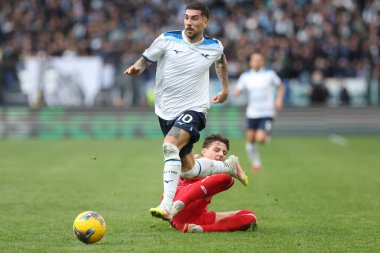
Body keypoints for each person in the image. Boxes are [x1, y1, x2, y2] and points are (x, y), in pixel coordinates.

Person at [124, 2, 248, 221]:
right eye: (186, 18)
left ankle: (166, 205)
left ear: (205, 21)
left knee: (170, 146)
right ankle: (228, 166)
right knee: (189, 170)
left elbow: (221, 62)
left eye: (194, 18)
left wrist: (226, 89)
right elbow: (146, 59)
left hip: (195, 108)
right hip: (165, 110)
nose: (189, 23)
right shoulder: (166, 39)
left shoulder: (214, 46)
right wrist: (137, 68)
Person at [169, 134, 256, 233]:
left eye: (224, 152)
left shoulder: (218, 172)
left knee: (250, 216)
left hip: (192, 218)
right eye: (216, 150)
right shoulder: (192, 163)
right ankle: (180, 204)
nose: (221, 154)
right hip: (177, 204)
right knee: (227, 178)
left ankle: (199, 229)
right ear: (204, 151)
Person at [234, 52, 285, 172]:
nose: (256, 62)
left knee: (260, 139)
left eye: (259, 60)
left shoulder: (269, 74)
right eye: (254, 60)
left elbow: (281, 87)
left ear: (262, 62)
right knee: (250, 139)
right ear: (250, 62)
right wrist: (236, 92)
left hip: (267, 112)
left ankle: (266, 137)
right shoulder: (245, 76)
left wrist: (278, 100)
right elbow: (238, 89)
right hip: (252, 112)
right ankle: (256, 163)